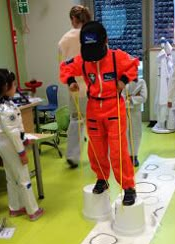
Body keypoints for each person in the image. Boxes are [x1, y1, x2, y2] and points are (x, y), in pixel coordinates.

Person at [60, 21, 139, 206]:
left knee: (118, 150)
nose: (93, 58)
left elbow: (133, 64)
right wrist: (70, 80)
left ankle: (128, 187)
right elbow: (65, 67)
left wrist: (123, 81)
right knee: (96, 149)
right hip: (94, 108)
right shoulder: (83, 59)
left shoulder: (116, 57)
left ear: (105, 41)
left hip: (114, 107)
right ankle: (102, 179)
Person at [0, 69, 43, 220]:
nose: (16, 86)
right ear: (5, 87)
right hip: (10, 144)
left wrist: (24, 139)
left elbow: (16, 130)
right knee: (23, 177)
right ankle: (32, 210)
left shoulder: (4, 104)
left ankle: (15, 207)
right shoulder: (5, 109)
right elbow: (13, 133)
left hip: (3, 143)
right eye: (14, 83)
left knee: (11, 176)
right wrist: (21, 152)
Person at [58, 5, 91, 168]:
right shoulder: (93, 34)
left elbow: (63, 65)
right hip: (93, 87)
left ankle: (72, 155)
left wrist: (70, 81)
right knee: (96, 122)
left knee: (76, 121)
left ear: (73, 19)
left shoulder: (64, 39)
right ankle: (101, 155)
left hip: (74, 88)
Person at [122, 78, 147, 167]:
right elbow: (119, 95)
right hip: (123, 110)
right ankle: (127, 156)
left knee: (136, 133)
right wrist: (131, 96)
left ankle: (134, 155)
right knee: (125, 133)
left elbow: (143, 97)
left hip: (136, 111)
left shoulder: (141, 82)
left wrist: (131, 98)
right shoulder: (122, 81)